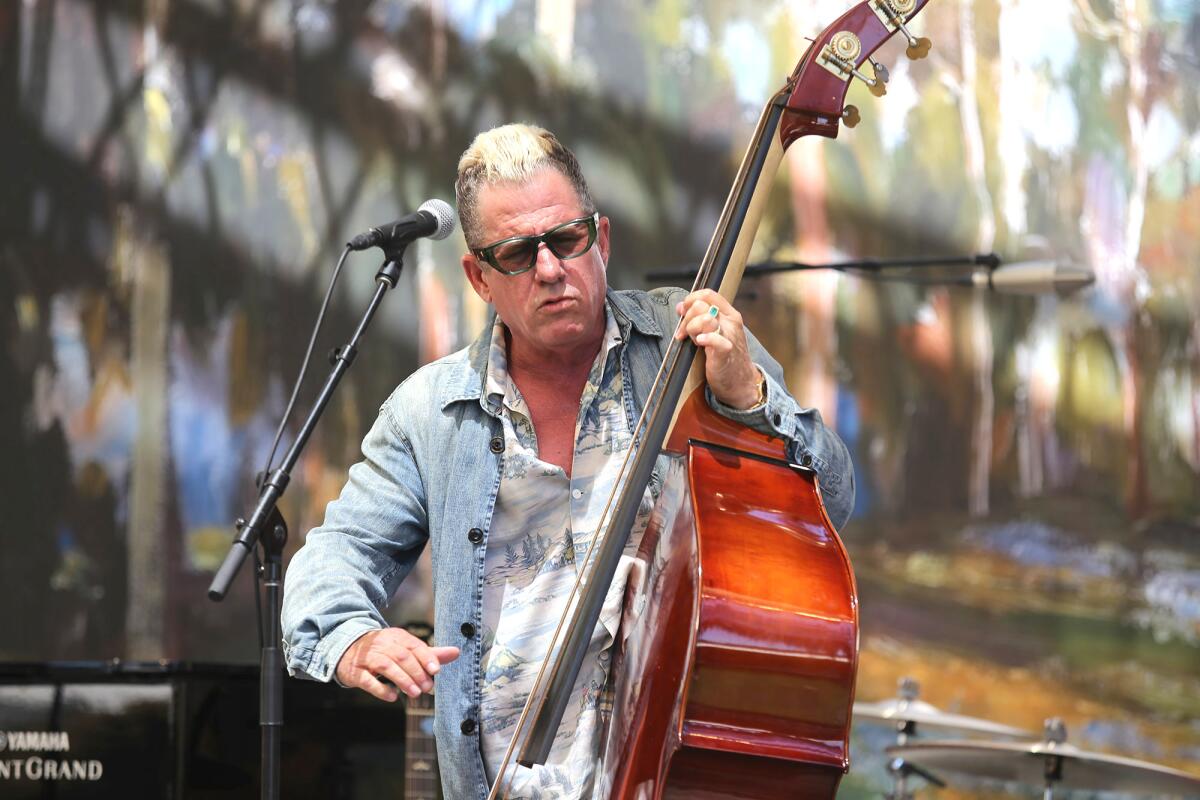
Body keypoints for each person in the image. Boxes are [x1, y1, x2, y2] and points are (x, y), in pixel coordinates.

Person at [281, 124, 853, 800]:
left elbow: (830, 500)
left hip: (668, 777)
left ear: (601, 240)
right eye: (518, 254)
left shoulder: (694, 349)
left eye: (567, 240)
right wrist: (351, 639)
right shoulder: (431, 409)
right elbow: (336, 558)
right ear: (479, 277)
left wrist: (746, 396)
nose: (550, 269)